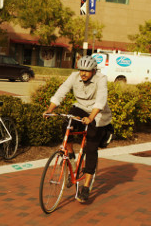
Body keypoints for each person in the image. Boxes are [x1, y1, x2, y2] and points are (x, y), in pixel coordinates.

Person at [43, 55, 112, 203]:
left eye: (87, 71)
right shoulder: (74, 77)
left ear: (94, 71)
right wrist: (50, 109)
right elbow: (61, 92)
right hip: (80, 109)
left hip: (97, 114)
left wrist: (91, 118)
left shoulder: (101, 79)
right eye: (81, 70)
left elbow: (101, 100)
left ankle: (86, 187)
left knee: (91, 147)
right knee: (66, 126)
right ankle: (72, 160)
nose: (83, 74)